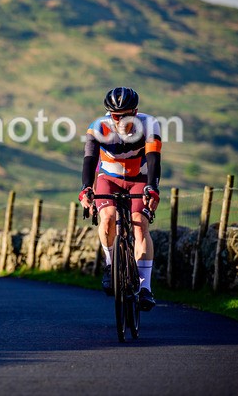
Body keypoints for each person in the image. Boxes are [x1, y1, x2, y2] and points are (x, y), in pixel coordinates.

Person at [78, 87, 161, 311]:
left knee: (140, 224)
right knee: (107, 219)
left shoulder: (150, 124)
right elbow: (89, 160)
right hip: (109, 178)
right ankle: (110, 264)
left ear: (136, 111)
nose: (121, 120)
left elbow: (153, 159)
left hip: (139, 178)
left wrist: (152, 188)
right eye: (116, 116)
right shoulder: (98, 127)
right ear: (108, 114)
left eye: (126, 115)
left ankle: (145, 288)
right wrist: (86, 189)